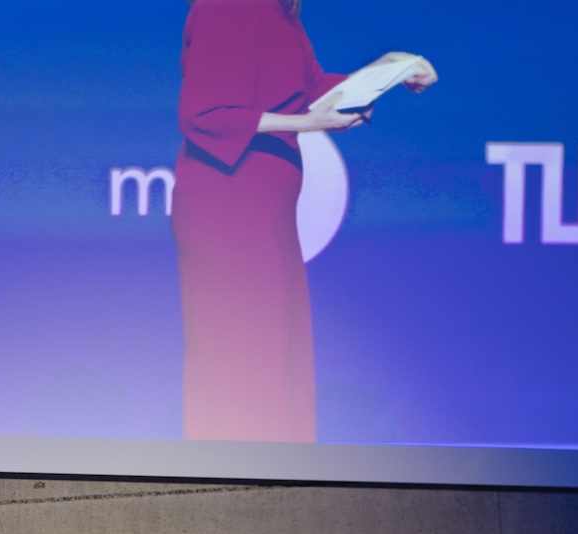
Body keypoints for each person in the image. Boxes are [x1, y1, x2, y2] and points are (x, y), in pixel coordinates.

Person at [175, 0, 436, 441]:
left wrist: (389, 69)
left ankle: (270, 467)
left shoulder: (282, 12)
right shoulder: (228, 5)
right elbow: (202, 113)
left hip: (266, 208)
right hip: (229, 204)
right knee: (241, 355)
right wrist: (304, 122)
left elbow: (312, 91)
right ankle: (233, 467)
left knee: (276, 352)